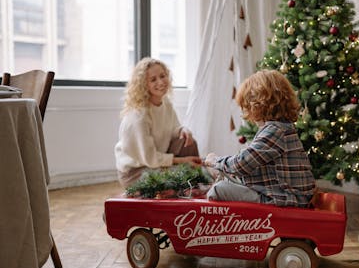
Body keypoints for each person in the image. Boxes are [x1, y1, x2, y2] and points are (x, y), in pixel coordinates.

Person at [204, 69, 316, 208]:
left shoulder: (275, 131)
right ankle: (221, 175)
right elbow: (253, 165)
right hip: (279, 193)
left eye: (246, 107)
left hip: (284, 199)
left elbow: (241, 164)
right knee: (223, 176)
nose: (246, 112)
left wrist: (215, 161)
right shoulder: (281, 127)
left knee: (218, 190)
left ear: (258, 105)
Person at [115, 57, 201, 188]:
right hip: (136, 171)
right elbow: (150, 158)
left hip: (157, 163)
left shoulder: (165, 103)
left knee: (188, 142)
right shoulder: (139, 116)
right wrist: (183, 161)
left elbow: (173, 129)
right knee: (181, 174)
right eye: (153, 79)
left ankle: (195, 181)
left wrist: (183, 130)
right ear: (144, 84)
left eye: (163, 76)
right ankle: (193, 182)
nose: (160, 82)